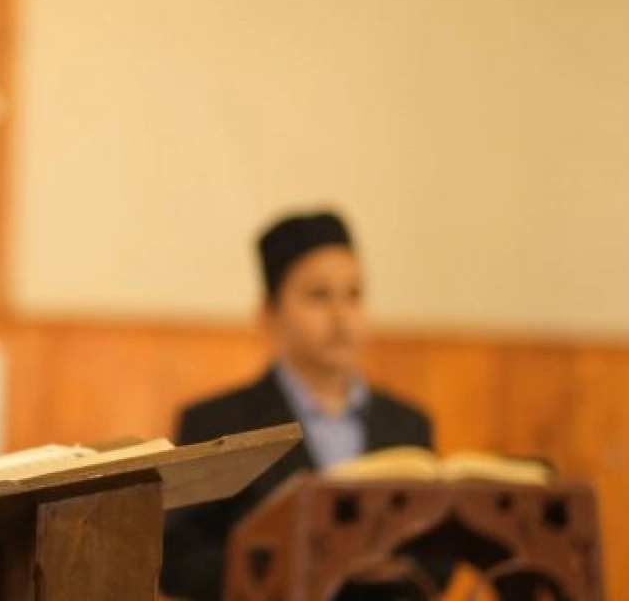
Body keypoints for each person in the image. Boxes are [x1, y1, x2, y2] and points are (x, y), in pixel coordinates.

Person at [160, 210, 433, 600]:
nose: (341, 316)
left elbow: (437, 562)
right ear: (269, 314)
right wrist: (288, 566)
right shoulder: (217, 422)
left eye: (354, 295)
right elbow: (181, 561)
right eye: (318, 295)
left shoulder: (408, 425)